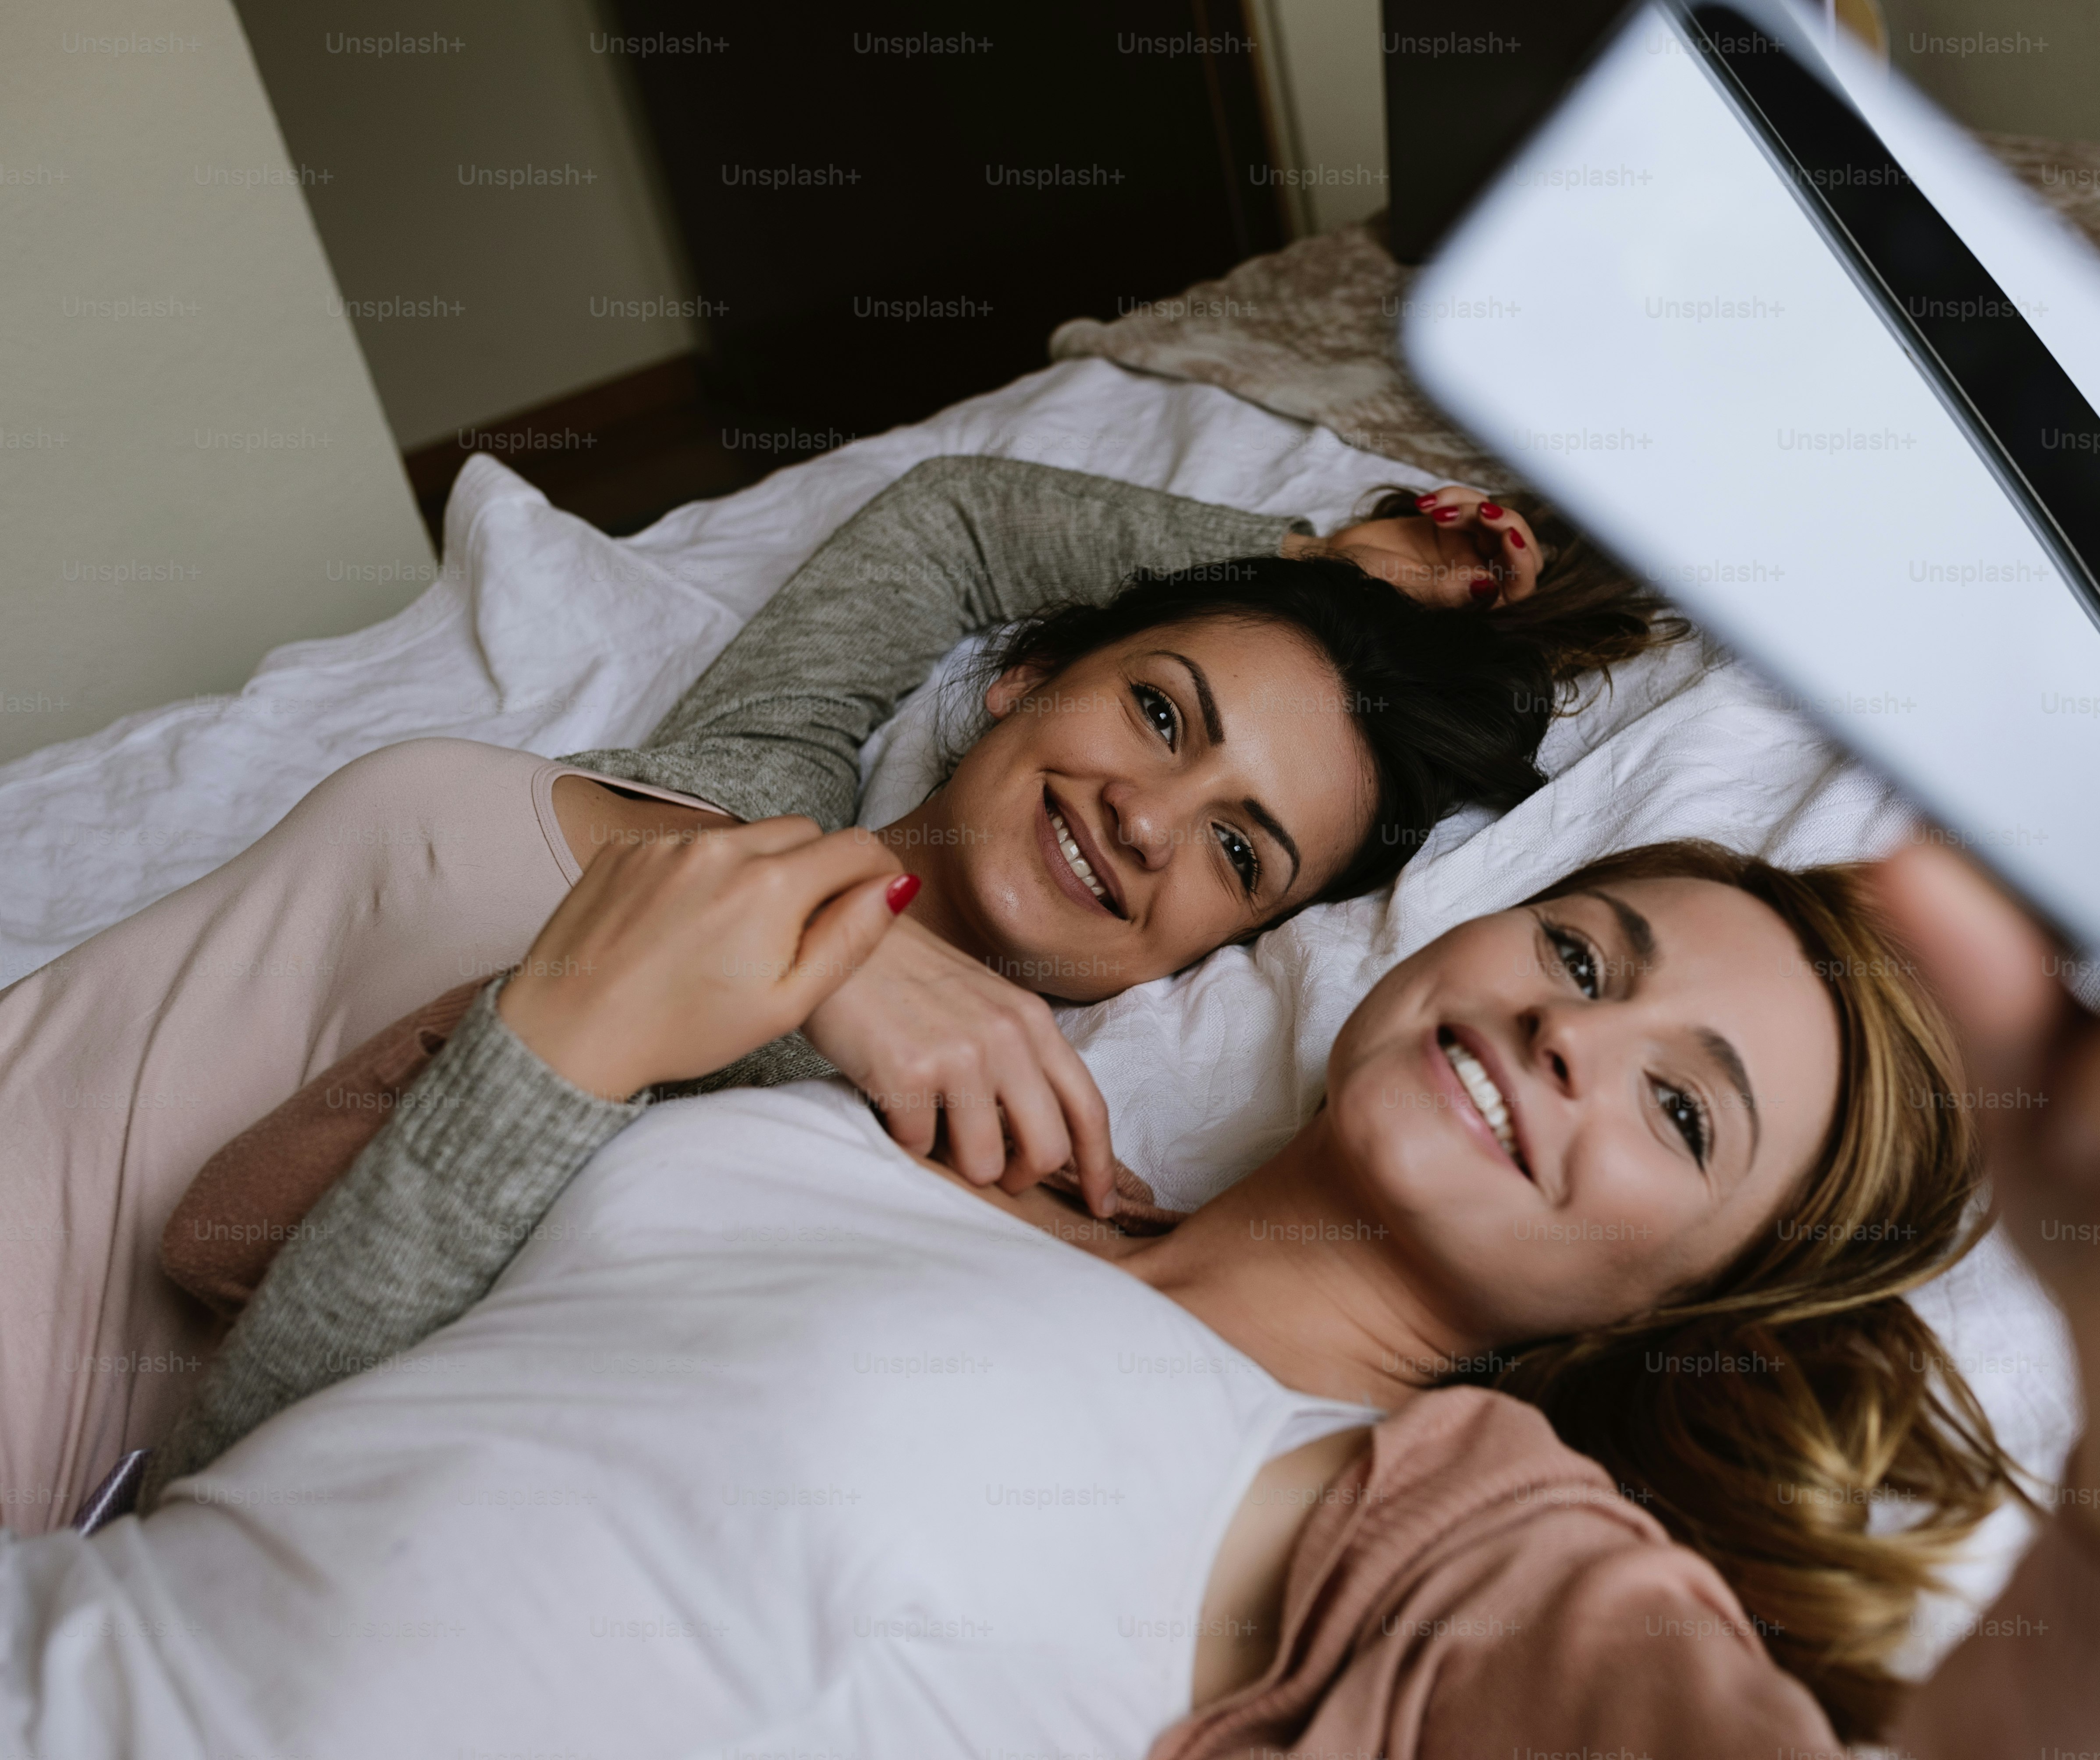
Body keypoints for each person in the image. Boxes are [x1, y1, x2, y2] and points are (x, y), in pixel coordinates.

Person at [0, 456, 1670, 1531]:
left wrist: (832, 1004)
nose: (1149, 820)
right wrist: (1319, 566)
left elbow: (239, 1253)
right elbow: (948, 519)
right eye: (1160, 715)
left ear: (1221, 955)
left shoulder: (931, 1147)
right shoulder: (750, 769)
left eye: (1241, 854)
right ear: (1020, 679)